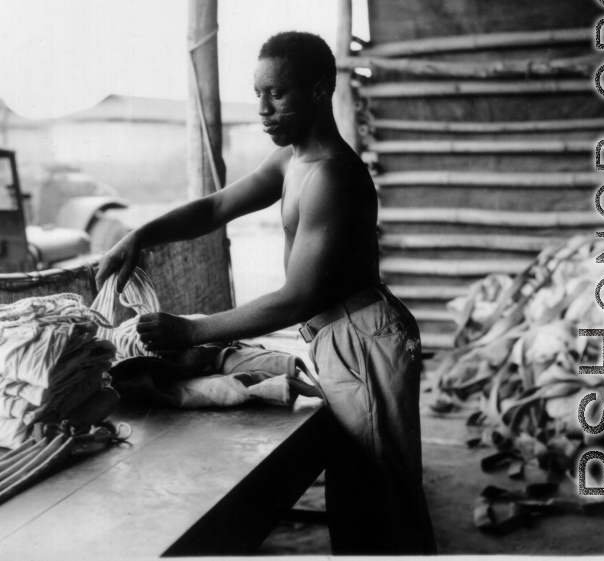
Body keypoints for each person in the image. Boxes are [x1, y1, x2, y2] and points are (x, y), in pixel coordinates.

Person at [96, 31, 437, 555]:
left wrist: (191, 330)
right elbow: (214, 209)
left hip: (364, 341)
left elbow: (296, 297)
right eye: (258, 93)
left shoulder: (332, 177)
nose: (262, 108)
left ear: (320, 90)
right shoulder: (292, 162)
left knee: (379, 516)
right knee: (358, 507)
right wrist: (140, 235)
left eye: (276, 93)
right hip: (342, 338)